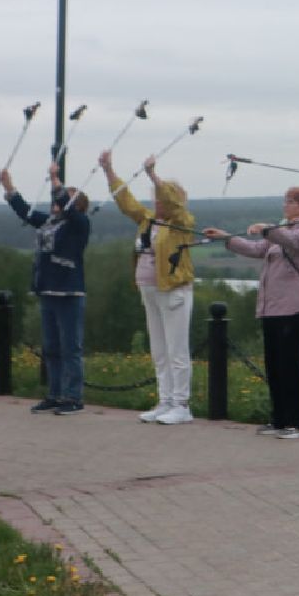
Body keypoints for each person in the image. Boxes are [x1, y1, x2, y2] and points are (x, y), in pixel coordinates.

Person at [203, 185, 299, 439]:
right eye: (285, 200)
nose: (285, 205)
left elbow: (294, 241)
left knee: (290, 364)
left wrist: (269, 229)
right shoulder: (282, 229)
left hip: (295, 306)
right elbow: (256, 249)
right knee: (274, 364)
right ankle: (280, 419)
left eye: (290, 201)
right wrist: (227, 237)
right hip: (270, 306)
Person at [101, 152, 197, 425]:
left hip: (174, 291)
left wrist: (154, 175)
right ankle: (165, 400)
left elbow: (173, 203)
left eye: (161, 197)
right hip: (149, 289)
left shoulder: (182, 223)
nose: (157, 202)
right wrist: (109, 170)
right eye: (155, 197)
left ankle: (181, 404)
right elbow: (126, 201)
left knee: (177, 350)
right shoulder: (148, 220)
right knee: (159, 350)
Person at [2, 164, 92, 415]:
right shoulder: (50, 223)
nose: (55, 203)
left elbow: (67, 203)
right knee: (51, 347)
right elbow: (26, 213)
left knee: (70, 347)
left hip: (69, 292)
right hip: (47, 290)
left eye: (61, 200)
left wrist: (55, 179)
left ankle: (73, 397)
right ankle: (54, 394)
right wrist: (9, 187)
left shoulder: (79, 224)